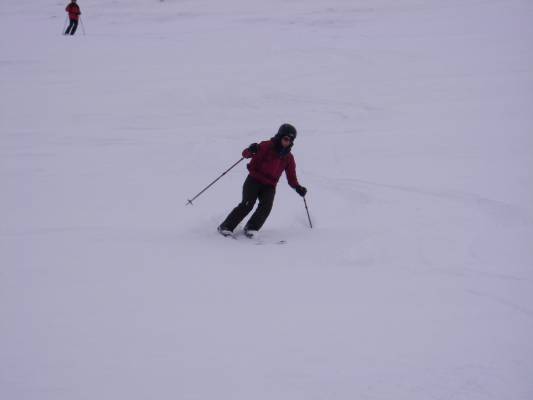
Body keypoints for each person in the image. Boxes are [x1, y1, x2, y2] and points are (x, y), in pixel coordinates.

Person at [218, 123, 307, 237]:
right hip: (254, 180)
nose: (287, 142)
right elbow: (245, 154)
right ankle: (226, 226)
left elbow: (291, 177)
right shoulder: (266, 146)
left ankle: (251, 228)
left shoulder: (288, 157)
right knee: (247, 204)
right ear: (280, 136)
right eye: (285, 138)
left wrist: (298, 188)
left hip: (269, 185)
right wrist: (251, 149)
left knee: (266, 206)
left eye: (290, 140)